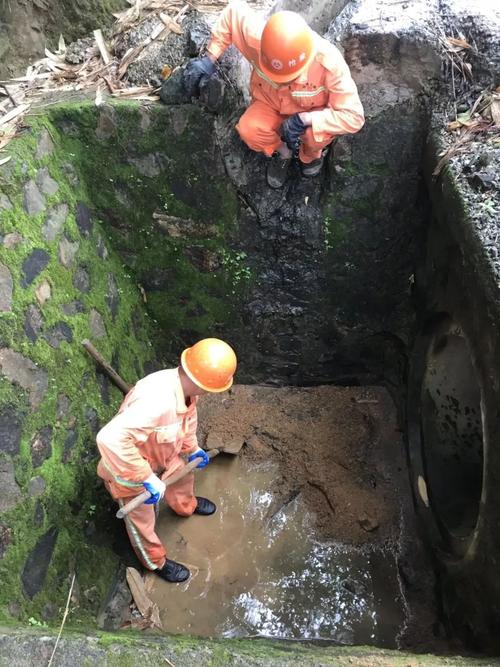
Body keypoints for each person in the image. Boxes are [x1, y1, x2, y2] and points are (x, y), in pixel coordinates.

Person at [96, 338, 237, 583]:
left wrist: (192, 449)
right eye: (209, 388)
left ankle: (186, 506)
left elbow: (188, 420)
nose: (207, 393)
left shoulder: (187, 389)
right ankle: (156, 562)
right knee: (143, 522)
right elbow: (109, 438)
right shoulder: (156, 402)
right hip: (131, 469)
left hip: (164, 453)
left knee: (183, 473)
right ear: (199, 381)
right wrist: (147, 478)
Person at [183, 2, 365, 189]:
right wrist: (209, 58)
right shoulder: (258, 39)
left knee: (313, 136)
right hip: (270, 104)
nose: (283, 82)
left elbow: (354, 117)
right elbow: (232, 13)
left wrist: (305, 119)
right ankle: (284, 153)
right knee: (249, 129)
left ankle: (309, 157)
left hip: (310, 113)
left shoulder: (329, 64)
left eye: (290, 77)